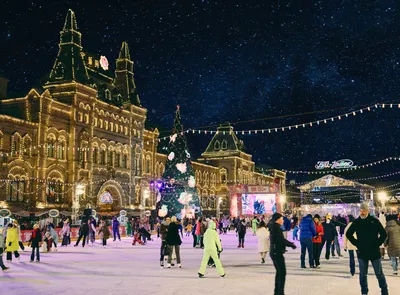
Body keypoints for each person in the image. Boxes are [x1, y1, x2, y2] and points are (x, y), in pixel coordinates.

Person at [346, 203, 388, 295]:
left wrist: (377, 243)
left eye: (364, 210)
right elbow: (348, 234)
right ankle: (364, 292)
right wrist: (357, 243)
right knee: (363, 274)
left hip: (374, 252)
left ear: (367, 211)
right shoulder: (356, 222)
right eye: (361, 211)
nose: (362, 212)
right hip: (362, 252)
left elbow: (384, 234)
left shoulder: (374, 221)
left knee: (379, 274)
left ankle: (384, 291)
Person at [269, 213, 296, 295]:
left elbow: (280, 239)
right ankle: (280, 292)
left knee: (279, 272)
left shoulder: (274, 227)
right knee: (282, 273)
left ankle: (277, 292)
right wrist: (291, 244)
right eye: (282, 219)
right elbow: (280, 240)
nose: (283, 220)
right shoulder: (276, 228)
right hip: (276, 252)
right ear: (278, 219)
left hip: (275, 252)